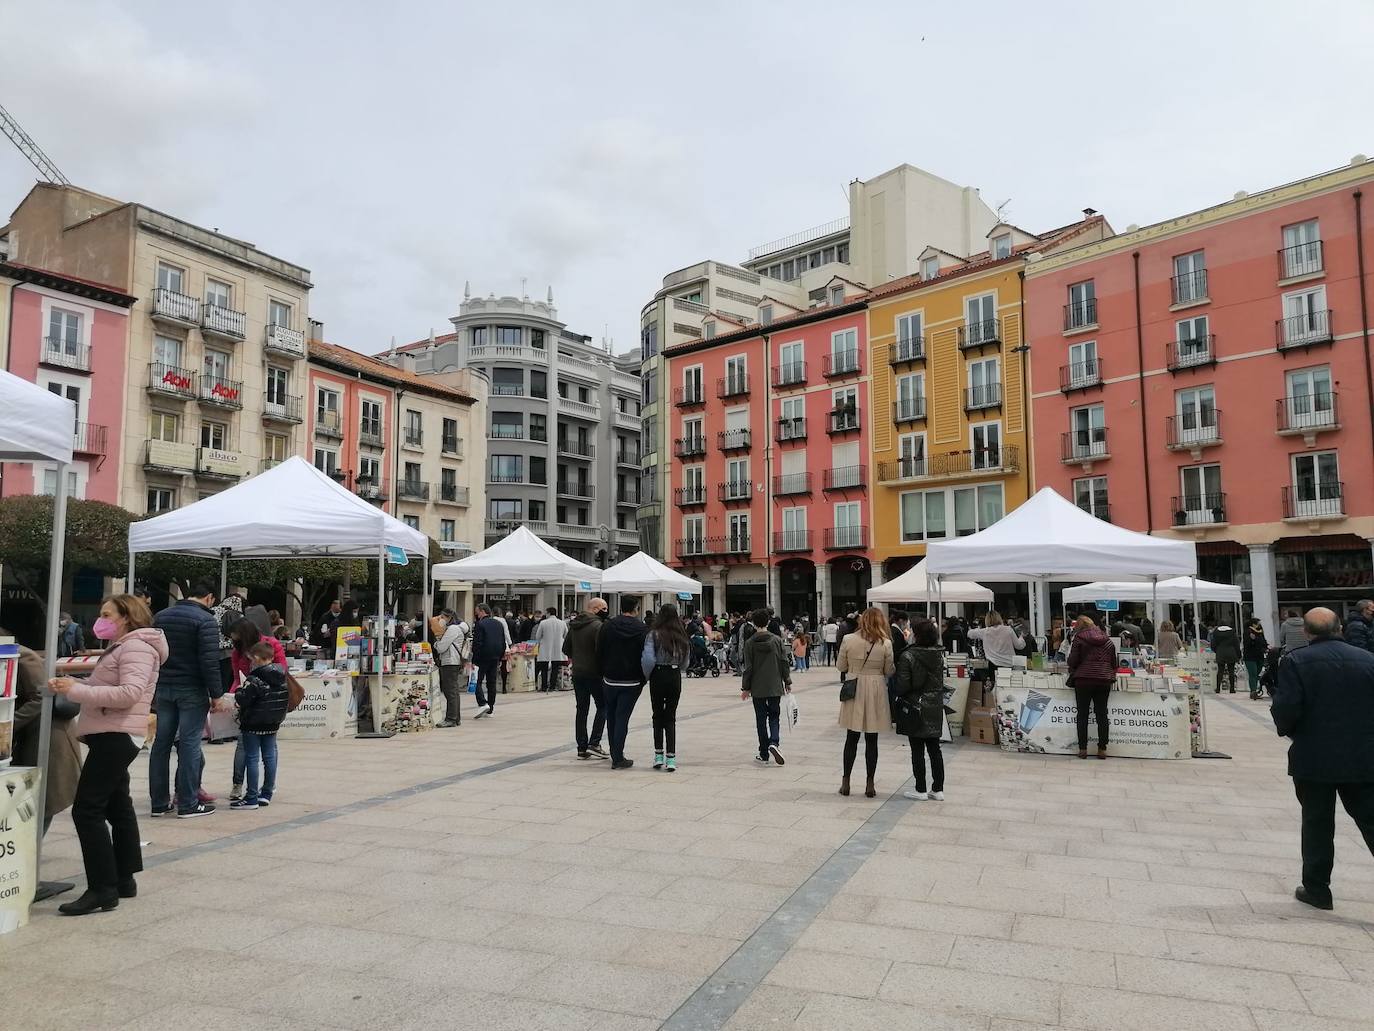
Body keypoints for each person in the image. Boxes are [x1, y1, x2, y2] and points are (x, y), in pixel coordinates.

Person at [48, 594, 165, 914]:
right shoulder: (126, 646)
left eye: (106, 614)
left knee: (86, 810)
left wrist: (76, 690)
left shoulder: (136, 647)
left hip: (117, 733)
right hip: (112, 733)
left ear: (126, 617)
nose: (100, 620)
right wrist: (74, 682)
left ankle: (102, 888)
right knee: (117, 806)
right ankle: (123, 879)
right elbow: (112, 684)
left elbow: (129, 693)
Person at [1272, 607, 1374, 911]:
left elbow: (1286, 709)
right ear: (1339, 627)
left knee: (1317, 823)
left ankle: (1317, 889)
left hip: (1314, 757)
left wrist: (1290, 730)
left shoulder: (1296, 661)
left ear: (1306, 632)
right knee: (1371, 820)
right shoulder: (1368, 660)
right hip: (1363, 756)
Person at [150, 583, 224, 818]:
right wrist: (216, 694)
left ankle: (159, 803)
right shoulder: (205, 620)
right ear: (210, 598)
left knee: (161, 744)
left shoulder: (161, 616)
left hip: (163, 687)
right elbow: (209, 661)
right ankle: (188, 802)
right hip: (191, 688)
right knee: (190, 743)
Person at [9, 635, 80, 834]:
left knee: (43, 800)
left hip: (47, 737)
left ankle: (31, 851)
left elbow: (41, 695)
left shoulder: (22, 656)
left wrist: (9, 723)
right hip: (28, 737)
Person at [837, 607, 895, 798]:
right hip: (876, 687)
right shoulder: (886, 643)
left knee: (851, 737)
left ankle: (846, 782)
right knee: (872, 739)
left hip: (854, 686)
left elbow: (841, 666)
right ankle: (870, 783)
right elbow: (889, 670)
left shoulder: (848, 639)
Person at [228, 619, 287, 801]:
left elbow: (241, 686)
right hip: (273, 715)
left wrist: (236, 695)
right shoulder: (239, 652)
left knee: (250, 753)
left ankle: (252, 794)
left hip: (253, 715)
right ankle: (266, 792)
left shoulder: (256, 677)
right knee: (269, 752)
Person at [893, 617, 946, 801]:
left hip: (916, 705)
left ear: (917, 635)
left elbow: (902, 685)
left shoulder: (908, 655)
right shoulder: (939, 654)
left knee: (917, 750)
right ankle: (938, 789)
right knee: (935, 749)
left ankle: (920, 788)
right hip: (935, 704)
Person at [597, 595, 649, 769]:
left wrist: (602, 672)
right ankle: (618, 757)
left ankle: (615, 754)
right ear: (636, 608)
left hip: (610, 678)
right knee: (622, 718)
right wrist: (643, 678)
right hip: (632, 680)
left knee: (611, 716)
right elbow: (646, 655)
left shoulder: (608, 625)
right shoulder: (642, 629)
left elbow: (599, 650)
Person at [641, 603, 690, 771]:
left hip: (658, 674)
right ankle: (671, 758)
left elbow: (648, 659)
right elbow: (686, 661)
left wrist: (647, 676)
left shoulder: (653, 634)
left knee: (657, 715)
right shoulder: (681, 635)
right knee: (671, 716)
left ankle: (658, 754)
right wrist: (678, 666)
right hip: (674, 675)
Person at [741, 607, 790, 766]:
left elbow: (748, 667)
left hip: (758, 687)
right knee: (774, 716)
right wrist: (787, 681)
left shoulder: (749, 643)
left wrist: (745, 687)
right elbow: (784, 661)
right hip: (775, 684)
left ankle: (763, 752)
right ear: (768, 622)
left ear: (754, 623)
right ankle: (774, 743)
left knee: (760, 719)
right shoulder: (776, 640)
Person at [564, 598, 609, 759]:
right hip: (595, 673)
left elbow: (566, 648)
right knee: (603, 705)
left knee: (582, 709)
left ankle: (581, 747)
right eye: (604, 608)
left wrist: (578, 657)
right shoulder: (598, 626)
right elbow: (602, 650)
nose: (606, 611)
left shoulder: (574, 625)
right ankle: (594, 743)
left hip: (578, 672)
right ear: (596, 609)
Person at [1067, 614, 1117, 760]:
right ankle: (1102, 749)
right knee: (1102, 714)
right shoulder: (1107, 639)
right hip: (1103, 680)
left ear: (1079, 627)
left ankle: (1083, 749)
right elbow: (1114, 662)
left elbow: (1072, 661)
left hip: (1083, 680)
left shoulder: (1079, 638)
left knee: (1082, 715)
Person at [431, 609, 470, 726]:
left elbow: (441, 647)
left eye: (442, 617)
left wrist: (437, 642)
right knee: (453, 691)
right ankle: (455, 718)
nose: (440, 620)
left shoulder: (453, 629)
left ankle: (451, 719)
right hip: (453, 661)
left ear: (448, 617)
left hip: (450, 661)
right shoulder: (457, 628)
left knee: (450, 691)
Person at [966, 611, 1024, 688]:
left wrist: (975, 628)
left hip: (993, 665)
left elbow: (969, 634)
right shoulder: (1008, 630)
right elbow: (1019, 646)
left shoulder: (985, 631)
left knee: (996, 688)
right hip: (1009, 664)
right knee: (1008, 687)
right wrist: (1021, 637)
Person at [470, 603, 509, 718]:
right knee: (491, 682)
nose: (476, 614)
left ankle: (482, 703)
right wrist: (501, 655)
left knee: (477, 680)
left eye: (477, 612)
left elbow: (477, 643)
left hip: (482, 656)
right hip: (495, 656)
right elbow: (503, 641)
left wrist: (474, 658)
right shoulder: (499, 624)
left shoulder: (480, 624)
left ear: (482, 611)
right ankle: (491, 707)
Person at [534, 606, 568, 693]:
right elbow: (565, 635)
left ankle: (544, 687)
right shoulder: (562, 623)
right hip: (558, 649)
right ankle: (552, 686)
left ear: (548, 613)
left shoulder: (543, 623)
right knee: (555, 669)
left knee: (544, 668)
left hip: (545, 648)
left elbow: (538, 636)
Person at [1243, 618, 1269, 700]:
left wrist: (1266, 646)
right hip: (1250, 656)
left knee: (1257, 672)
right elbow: (1246, 644)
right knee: (1253, 673)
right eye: (1258, 623)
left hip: (1259, 655)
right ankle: (1253, 691)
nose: (1259, 624)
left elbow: (1263, 640)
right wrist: (1252, 640)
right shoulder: (1248, 631)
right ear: (1253, 624)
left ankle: (1255, 688)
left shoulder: (1260, 631)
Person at [1209, 623, 1240, 693]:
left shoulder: (1216, 632)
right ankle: (1232, 689)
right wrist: (1238, 655)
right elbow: (1236, 643)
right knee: (1231, 671)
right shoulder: (1232, 632)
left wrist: (1216, 650)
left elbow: (1213, 644)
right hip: (1231, 651)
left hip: (1220, 652)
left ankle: (1218, 688)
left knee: (1220, 671)